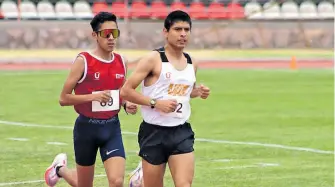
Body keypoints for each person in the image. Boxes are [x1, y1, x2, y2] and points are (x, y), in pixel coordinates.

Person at [44, 12, 137, 187]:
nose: (111, 38)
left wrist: (126, 103)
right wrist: (93, 97)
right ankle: (59, 169)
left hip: (111, 128)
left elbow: (120, 90)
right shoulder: (83, 61)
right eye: (106, 34)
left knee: (117, 182)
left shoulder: (121, 61)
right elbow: (63, 99)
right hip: (86, 129)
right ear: (95, 35)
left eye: (114, 33)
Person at [121, 10, 210, 187]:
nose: (183, 34)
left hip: (180, 131)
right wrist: (155, 103)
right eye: (177, 29)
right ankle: (140, 177)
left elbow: (184, 92)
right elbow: (126, 91)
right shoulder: (153, 59)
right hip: (154, 132)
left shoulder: (192, 62)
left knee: (184, 184)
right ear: (166, 32)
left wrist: (197, 92)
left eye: (186, 29)